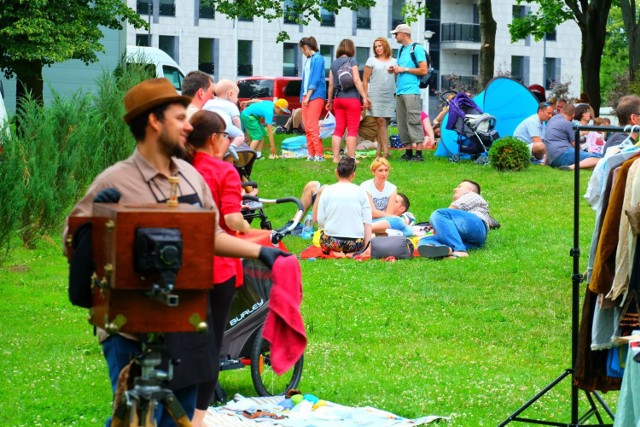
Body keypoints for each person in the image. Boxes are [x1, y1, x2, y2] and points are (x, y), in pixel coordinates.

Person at [62, 78, 290, 427]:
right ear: (155, 121)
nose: (189, 125)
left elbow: (209, 234)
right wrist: (98, 227)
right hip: (132, 330)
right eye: (180, 117)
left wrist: (259, 253)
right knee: (136, 420)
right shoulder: (115, 182)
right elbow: (72, 243)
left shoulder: (189, 176)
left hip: (186, 319)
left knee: (179, 419)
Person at [185, 110, 250, 427]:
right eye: (225, 136)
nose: (227, 142)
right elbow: (233, 219)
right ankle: (198, 418)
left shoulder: (178, 167)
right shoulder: (224, 171)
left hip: (181, 264)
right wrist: (250, 231)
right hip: (217, 266)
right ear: (213, 139)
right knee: (210, 344)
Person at [417, 180, 494, 259]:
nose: (455, 189)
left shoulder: (472, 195)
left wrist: (435, 223)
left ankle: (459, 250)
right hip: (473, 241)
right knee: (425, 241)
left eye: (459, 187)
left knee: (438, 213)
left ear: (470, 189)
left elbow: (453, 208)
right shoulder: (458, 215)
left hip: (476, 225)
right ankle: (448, 251)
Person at [316, 157, 372, 255]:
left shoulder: (327, 190)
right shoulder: (361, 191)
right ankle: (350, 253)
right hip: (355, 244)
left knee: (322, 237)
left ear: (336, 172)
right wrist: (367, 246)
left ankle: (335, 252)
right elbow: (367, 222)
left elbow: (320, 220)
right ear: (353, 175)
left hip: (332, 242)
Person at [326, 38, 370, 163]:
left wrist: (329, 101)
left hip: (338, 99)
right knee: (352, 129)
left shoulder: (334, 63)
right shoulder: (352, 61)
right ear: (351, 49)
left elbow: (331, 84)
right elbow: (356, 80)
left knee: (339, 128)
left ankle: (335, 158)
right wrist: (364, 97)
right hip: (352, 99)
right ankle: (351, 158)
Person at [390, 23, 429, 162]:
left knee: (413, 120)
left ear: (404, 33)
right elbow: (401, 68)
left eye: (396, 33)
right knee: (402, 122)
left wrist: (404, 69)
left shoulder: (417, 48)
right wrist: (395, 69)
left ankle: (418, 154)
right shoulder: (401, 50)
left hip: (412, 90)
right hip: (400, 91)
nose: (394, 36)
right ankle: (408, 152)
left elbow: (423, 70)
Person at [362, 37, 397, 159]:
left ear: (385, 46)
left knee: (384, 124)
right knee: (381, 122)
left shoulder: (394, 61)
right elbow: (365, 80)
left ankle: (378, 152)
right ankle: (386, 152)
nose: (377, 48)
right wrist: (365, 97)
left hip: (389, 95)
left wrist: (396, 93)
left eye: (380, 46)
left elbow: (396, 80)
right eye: (375, 47)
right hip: (375, 95)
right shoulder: (371, 60)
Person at [543, 102, 601, 170]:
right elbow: (575, 145)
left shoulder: (551, 120)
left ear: (562, 111)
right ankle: (570, 168)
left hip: (552, 159)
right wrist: (583, 152)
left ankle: (581, 165)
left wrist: (545, 163)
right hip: (563, 154)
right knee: (598, 159)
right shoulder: (567, 123)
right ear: (573, 115)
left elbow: (547, 142)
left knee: (592, 162)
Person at [299, 36, 327, 162]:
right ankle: (311, 153)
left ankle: (319, 154)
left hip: (315, 95)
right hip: (306, 95)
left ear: (305, 47)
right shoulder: (309, 60)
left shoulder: (318, 59)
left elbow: (315, 79)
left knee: (312, 125)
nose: (302, 53)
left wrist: (308, 96)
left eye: (302, 50)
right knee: (306, 125)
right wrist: (305, 96)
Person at [202, 79, 245, 147]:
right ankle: (233, 146)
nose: (237, 99)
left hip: (209, 127)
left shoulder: (210, 102)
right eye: (237, 96)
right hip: (225, 127)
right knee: (241, 135)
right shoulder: (232, 105)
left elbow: (202, 112)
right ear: (230, 94)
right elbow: (236, 119)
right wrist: (238, 130)